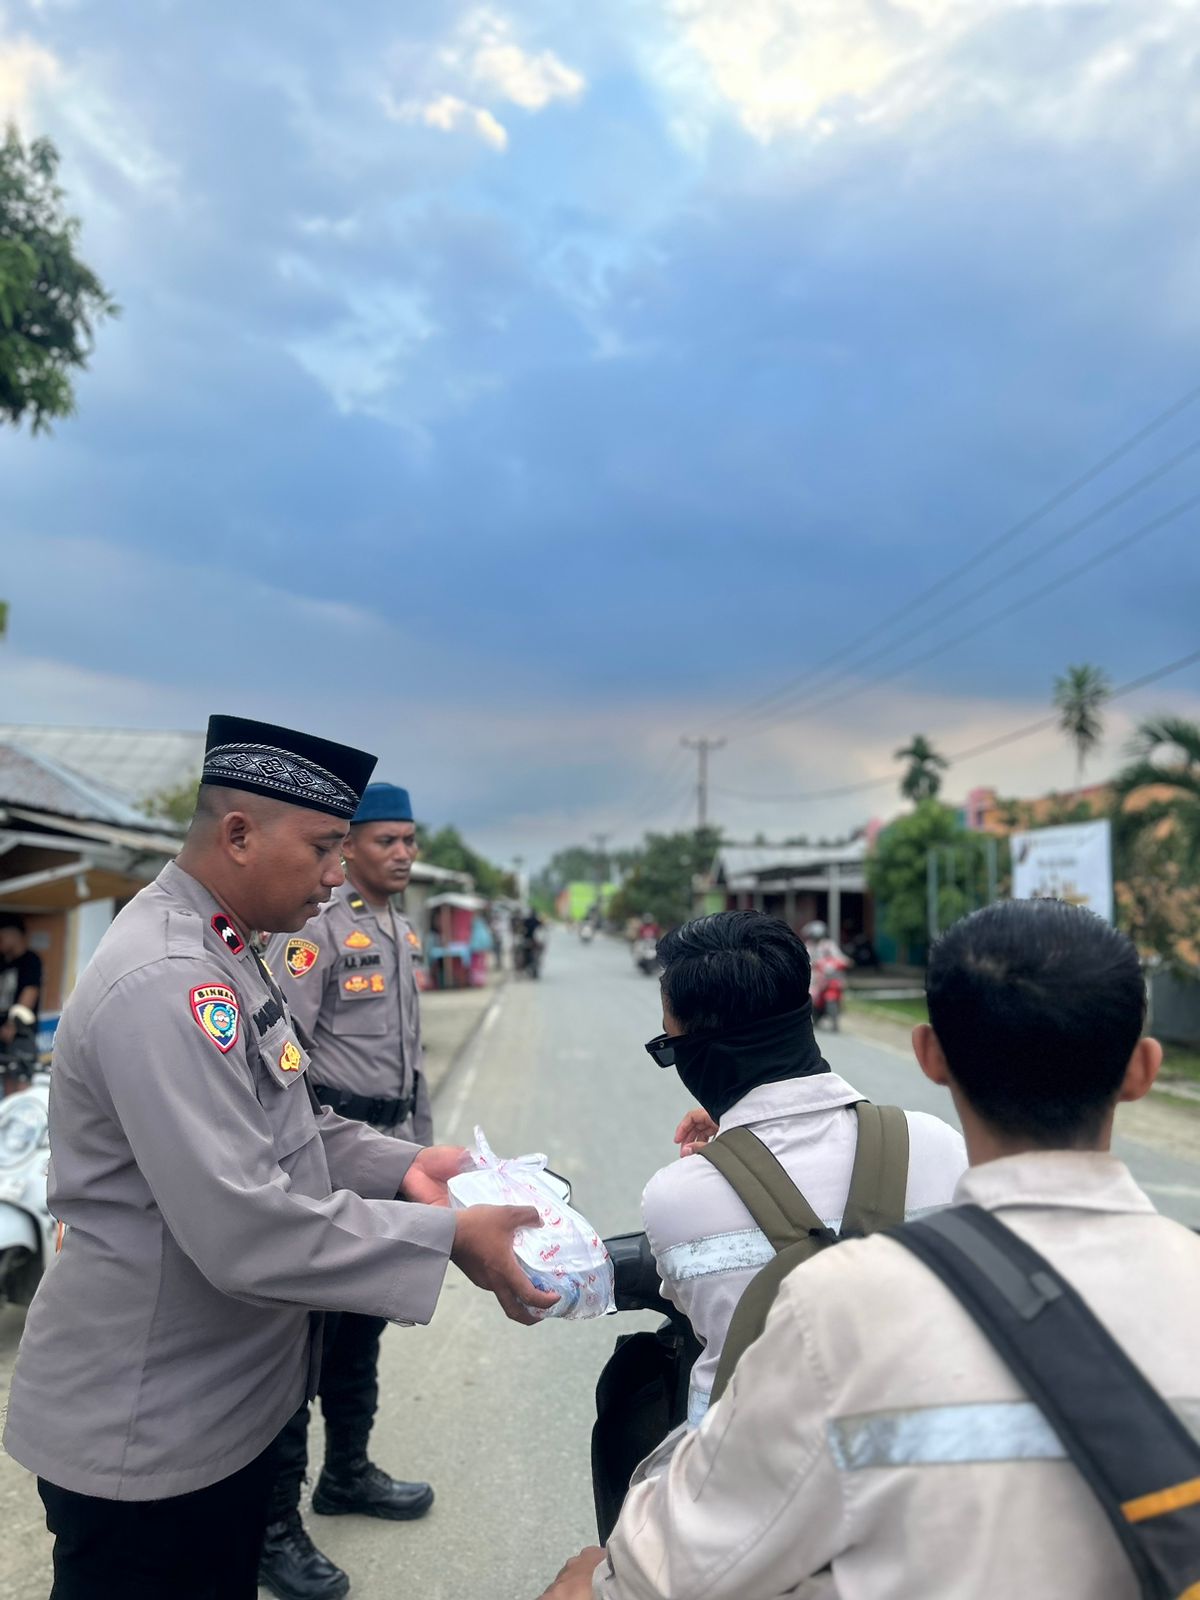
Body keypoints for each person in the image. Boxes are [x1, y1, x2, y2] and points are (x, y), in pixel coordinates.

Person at [3, 715, 555, 1600]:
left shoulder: (227, 948)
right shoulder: (169, 981)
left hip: (216, 1405)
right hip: (150, 1428)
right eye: (326, 848)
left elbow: (290, 1115)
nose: (339, 875)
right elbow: (245, 1229)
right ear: (238, 834)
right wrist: (447, 1236)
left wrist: (402, 1167)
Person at [544, 899, 1200, 1600]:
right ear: (1144, 1069)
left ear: (930, 1055)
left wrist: (597, 1576)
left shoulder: (836, 1308)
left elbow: (676, 1565)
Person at [639, 910, 966, 1429]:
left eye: (668, 1047)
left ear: (693, 1052)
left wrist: (734, 1147)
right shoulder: (940, 1145)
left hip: (746, 1493)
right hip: (926, 1479)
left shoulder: (678, 1197)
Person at [259, 782, 434, 1600]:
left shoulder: (400, 929)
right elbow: (277, 1049)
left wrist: (422, 1154)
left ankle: (349, 1472)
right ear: (349, 847)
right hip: (327, 1151)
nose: (402, 854)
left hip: (390, 1146)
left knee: (363, 1320)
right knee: (305, 1338)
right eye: (385, 841)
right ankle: (273, 1526)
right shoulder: (312, 935)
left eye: (409, 840)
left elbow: (412, 1063)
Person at [0, 911, 42, 1046]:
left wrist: (12, 1025)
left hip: (19, 1033)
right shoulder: (3, 961)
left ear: (13, 935)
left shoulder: (30, 960)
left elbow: (30, 992)